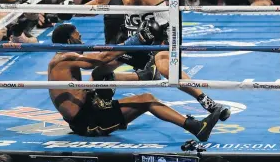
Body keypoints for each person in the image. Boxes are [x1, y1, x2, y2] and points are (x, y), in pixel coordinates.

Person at [87, 0, 230, 122]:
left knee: (165, 67)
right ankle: (107, 115)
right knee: (101, 70)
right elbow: (99, 3)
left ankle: (208, 102)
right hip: (135, 29)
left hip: (161, 23)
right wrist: (69, 10)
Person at [48, 24, 222, 142]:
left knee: (100, 74)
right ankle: (195, 127)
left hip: (89, 112)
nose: (82, 39)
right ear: (70, 40)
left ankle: (140, 69)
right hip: (88, 120)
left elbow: (98, 67)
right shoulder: (64, 58)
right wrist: (137, 39)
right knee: (146, 99)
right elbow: (101, 58)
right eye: (78, 36)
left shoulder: (62, 59)